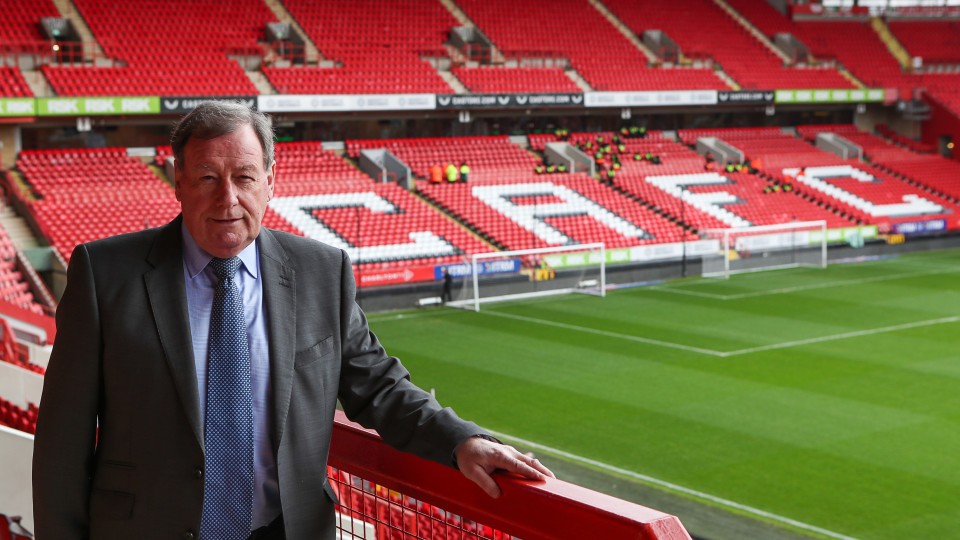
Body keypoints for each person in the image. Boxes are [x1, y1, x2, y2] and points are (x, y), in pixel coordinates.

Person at [32, 102, 553, 540]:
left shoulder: (321, 271)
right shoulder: (106, 273)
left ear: (270, 182)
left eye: (244, 177)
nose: (228, 199)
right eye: (208, 178)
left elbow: (378, 385)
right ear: (179, 181)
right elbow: (62, 442)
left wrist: (460, 440)